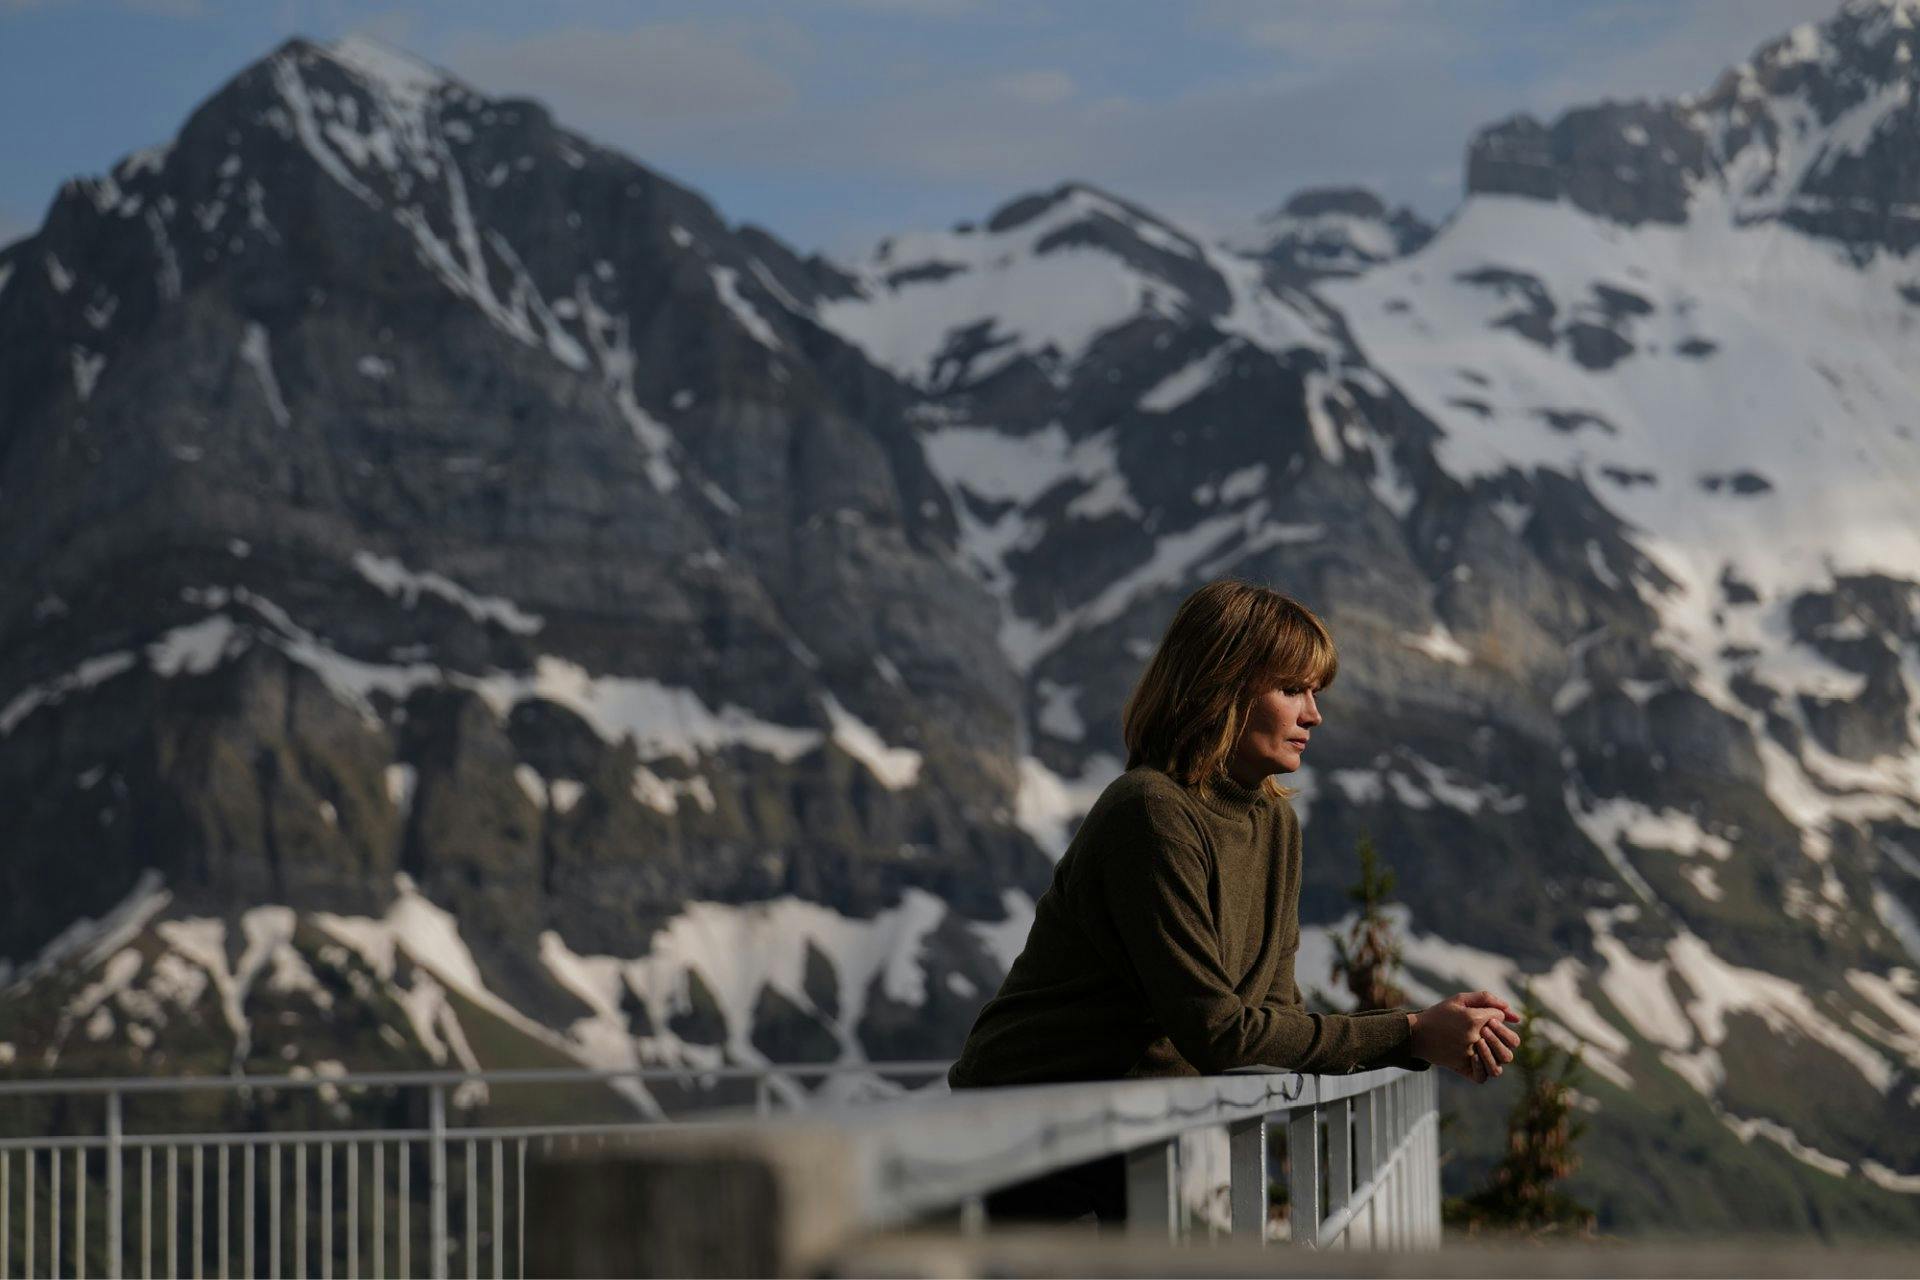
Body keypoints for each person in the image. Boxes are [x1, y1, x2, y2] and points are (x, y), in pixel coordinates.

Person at [949, 579, 1521, 1224]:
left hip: (1130, 1135)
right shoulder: (1150, 810)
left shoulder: (1274, 824)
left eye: (1315, 693)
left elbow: (1274, 1008)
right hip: (1026, 1138)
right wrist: (1413, 1033)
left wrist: (1418, 1036)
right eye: (1291, 690)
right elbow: (1219, 1029)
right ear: (1220, 688)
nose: (1314, 714)